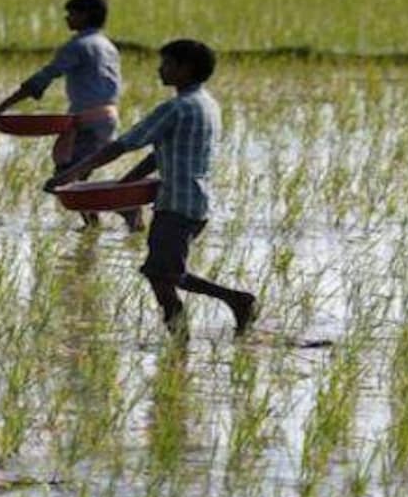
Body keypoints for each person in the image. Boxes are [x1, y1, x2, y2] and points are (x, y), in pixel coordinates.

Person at [44, 39, 256, 338]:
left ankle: (188, 340)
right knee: (166, 272)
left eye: (167, 63)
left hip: (176, 205)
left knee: (162, 275)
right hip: (195, 202)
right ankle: (223, 310)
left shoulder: (176, 107)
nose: (160, 69)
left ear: (185, 69)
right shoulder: (207, 103)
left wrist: (69, 175)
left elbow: (122, 145)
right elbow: (160, 154)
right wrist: (124, 185)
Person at [0, 0, 142, 232]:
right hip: (106, 116)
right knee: (78, 174)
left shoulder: (78, 45)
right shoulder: (106, 45)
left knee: (66, 175)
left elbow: (43, 77)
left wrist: (2, 107)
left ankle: (123, 209)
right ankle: (93, 225)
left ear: (85, 16)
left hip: (89, 119)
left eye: (72, 13)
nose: (67, 18)